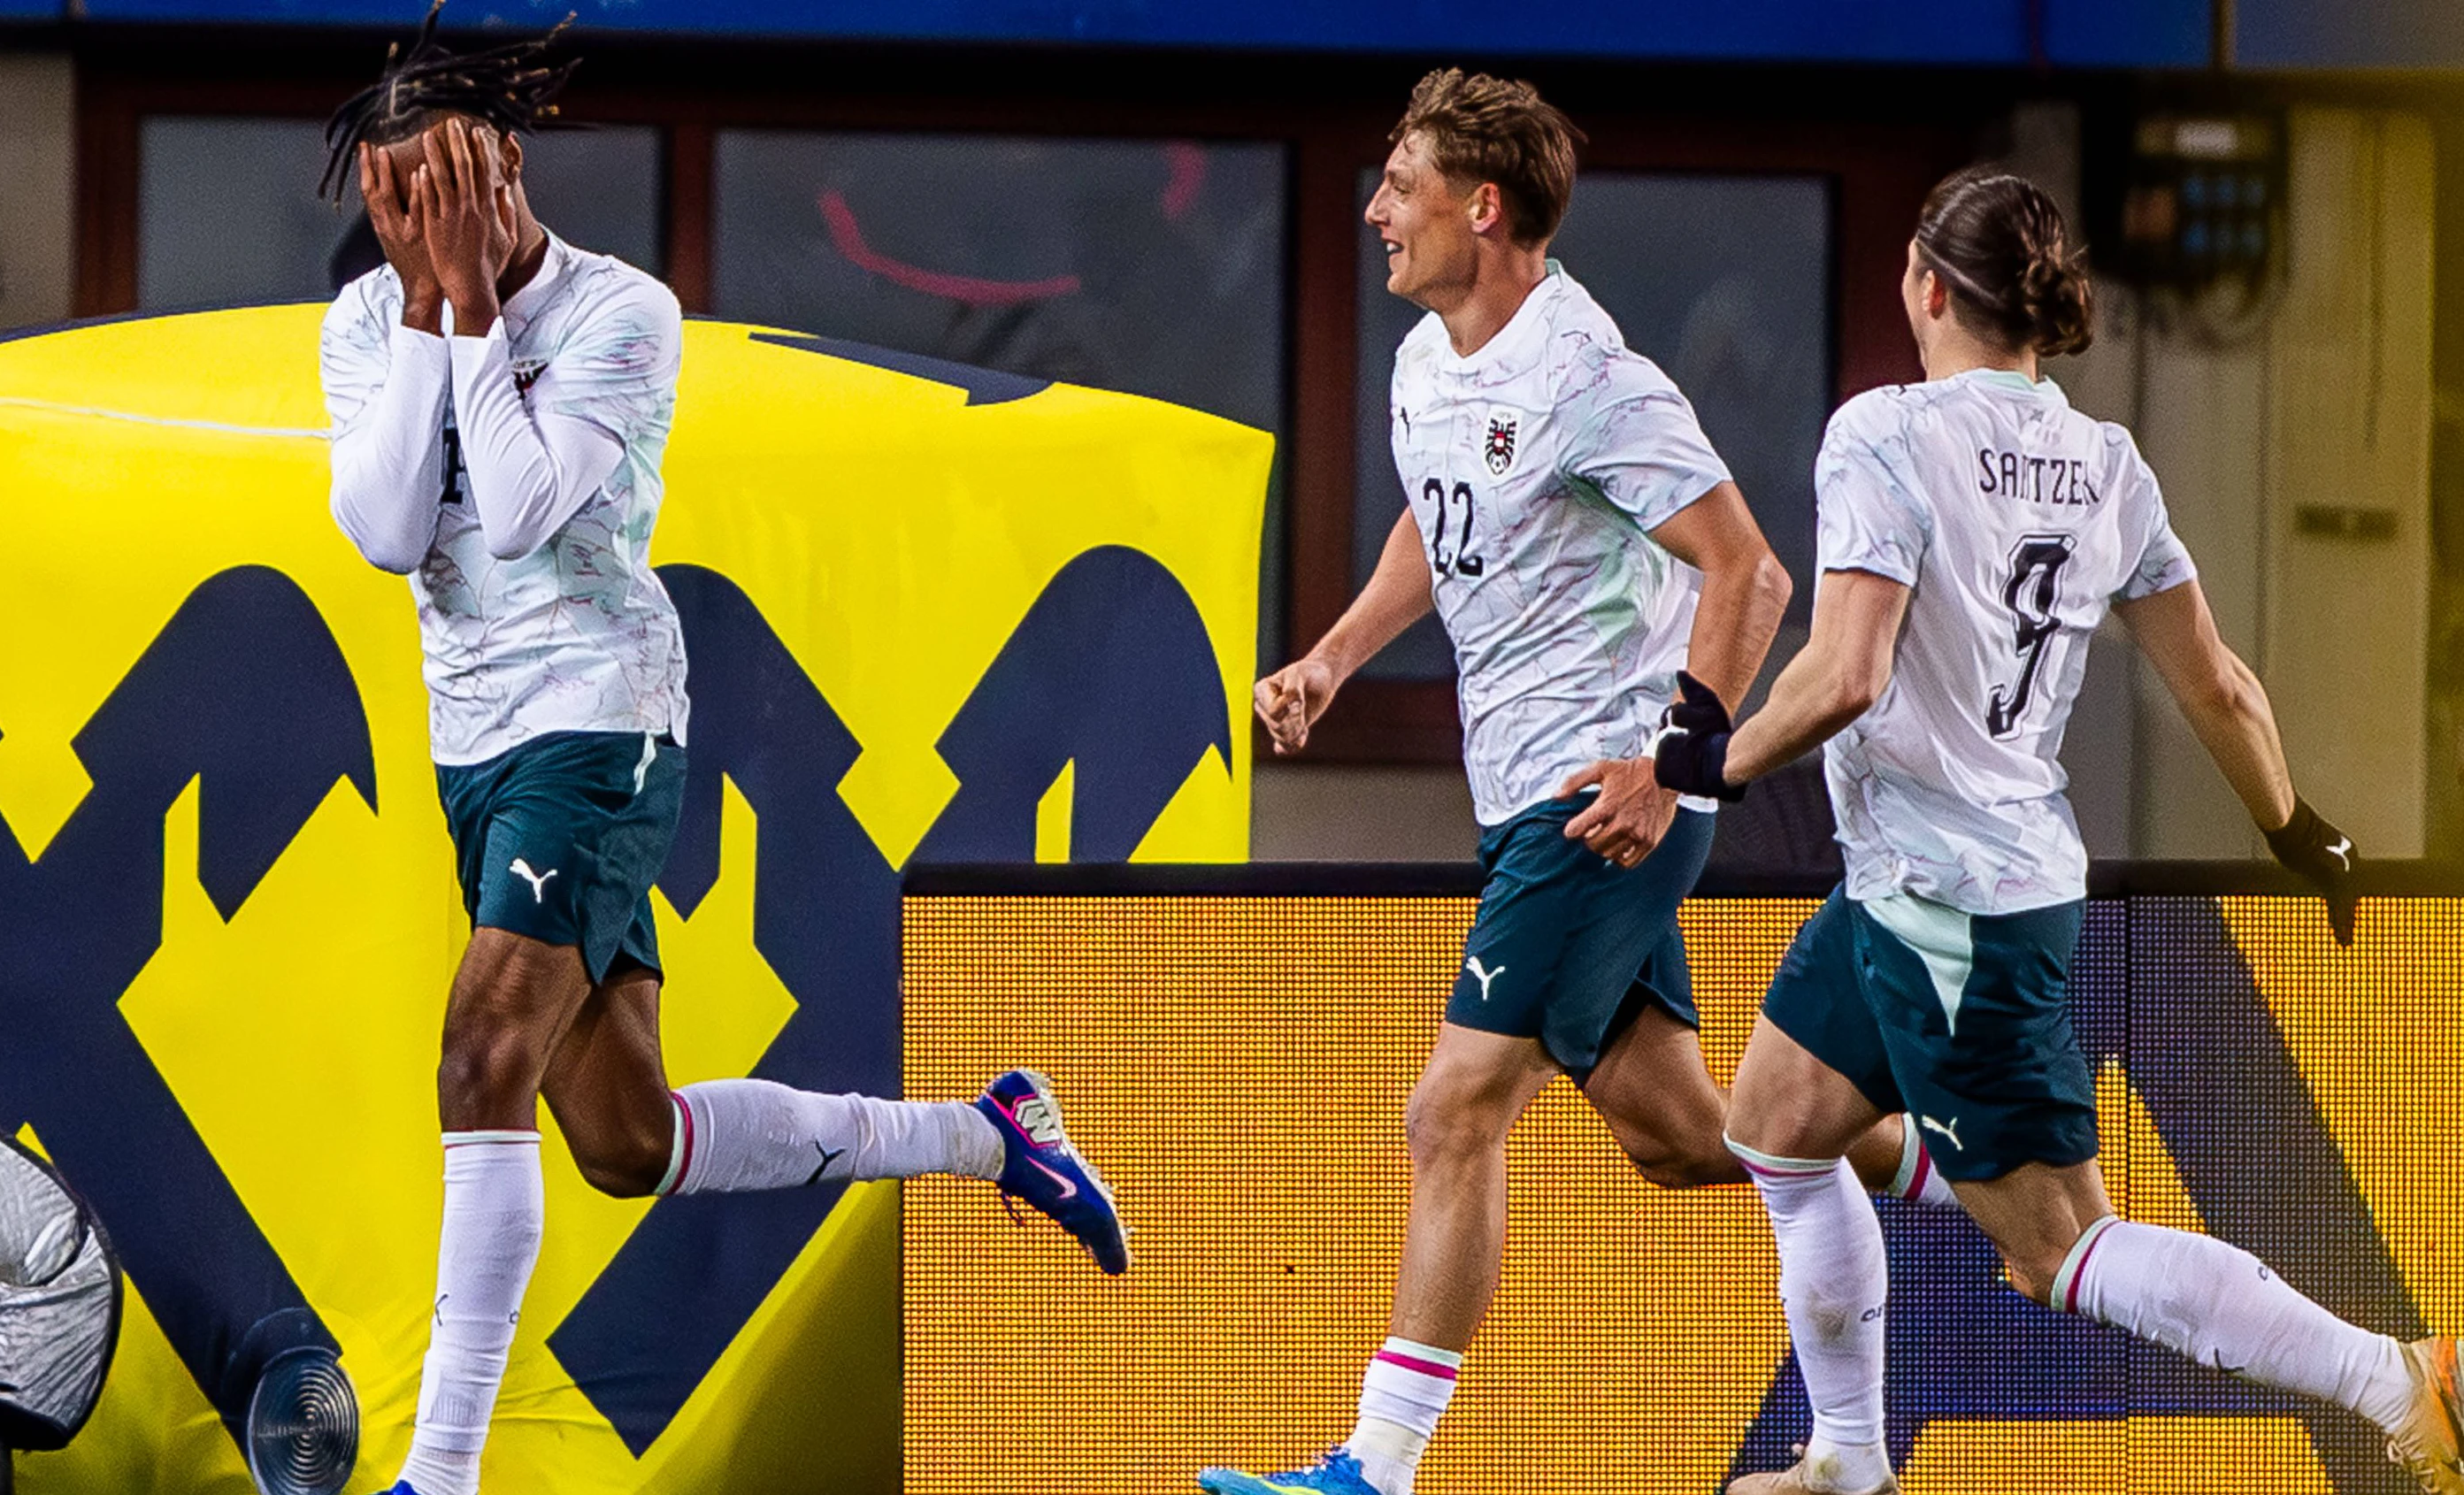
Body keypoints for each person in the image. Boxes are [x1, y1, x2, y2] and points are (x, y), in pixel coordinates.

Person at [315, 12, 1125, 1495]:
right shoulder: (365, 320)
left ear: (500, 164)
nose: (414, 211)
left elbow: (514, 512)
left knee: (477, 1046)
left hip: (601, 720)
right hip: (471, 751)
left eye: (439, 177)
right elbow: (379, 533)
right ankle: (985, 1133)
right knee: (626, 1141)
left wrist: (480, 309)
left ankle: (440, 1475)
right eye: (393, 187)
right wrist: (431, 312)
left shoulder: (625, 310)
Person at [1630, 165, 2455, 1495]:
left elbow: (1844, 673)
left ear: (1927, 285)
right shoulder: (2105, 461)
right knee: (1778, 1124)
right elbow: (2220, 681)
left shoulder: (1882, 432)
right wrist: (2303, 831)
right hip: (1928, 884)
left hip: (1950, 908)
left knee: (2060, 1250)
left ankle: (2397, 1379)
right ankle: (1847, 1457)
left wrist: (1704, 763)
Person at [1198, 69, 1956, 1495]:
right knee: (1691, 1140)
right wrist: (1335, 658)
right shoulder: (1430, 363)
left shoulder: (1595, 380)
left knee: (1451, 1109)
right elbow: (1440, 526)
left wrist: (1676, 762)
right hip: (1532, 804)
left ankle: (1377, 1465)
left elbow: (1753, 570)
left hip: (1599, 805)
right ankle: (1952, 1159)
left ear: (1481, 208)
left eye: (1399, 185)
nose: (1373, 210)